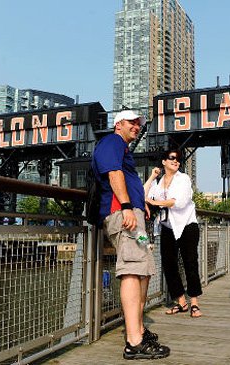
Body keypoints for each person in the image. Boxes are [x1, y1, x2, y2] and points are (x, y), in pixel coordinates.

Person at [92, 110, 170, 360]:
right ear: (118, 125)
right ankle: (134, 341)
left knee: (144, 268)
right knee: (133, 269)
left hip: (135, 216)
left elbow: (125, 177)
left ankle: (138, 328)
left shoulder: (124, 148)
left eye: (139, 124)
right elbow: (113, 174)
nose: (137, 127)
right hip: (122, 214)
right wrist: (127, 206)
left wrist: (139, 203)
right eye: (132, 122)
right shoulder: (112, 142)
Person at [144, 149, 203, 318]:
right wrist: (152, 177)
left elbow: (180, 202)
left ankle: (194, 303)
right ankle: (181, 302)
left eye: (178, 159)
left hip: (186, 225)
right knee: (168, 264)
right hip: (168, 227)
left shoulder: (183, 179)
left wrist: (155, 202)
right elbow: (143, 195)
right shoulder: (160, 181)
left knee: (190, 262)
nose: (176, 161)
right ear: (163, 161)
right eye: (172, 158)